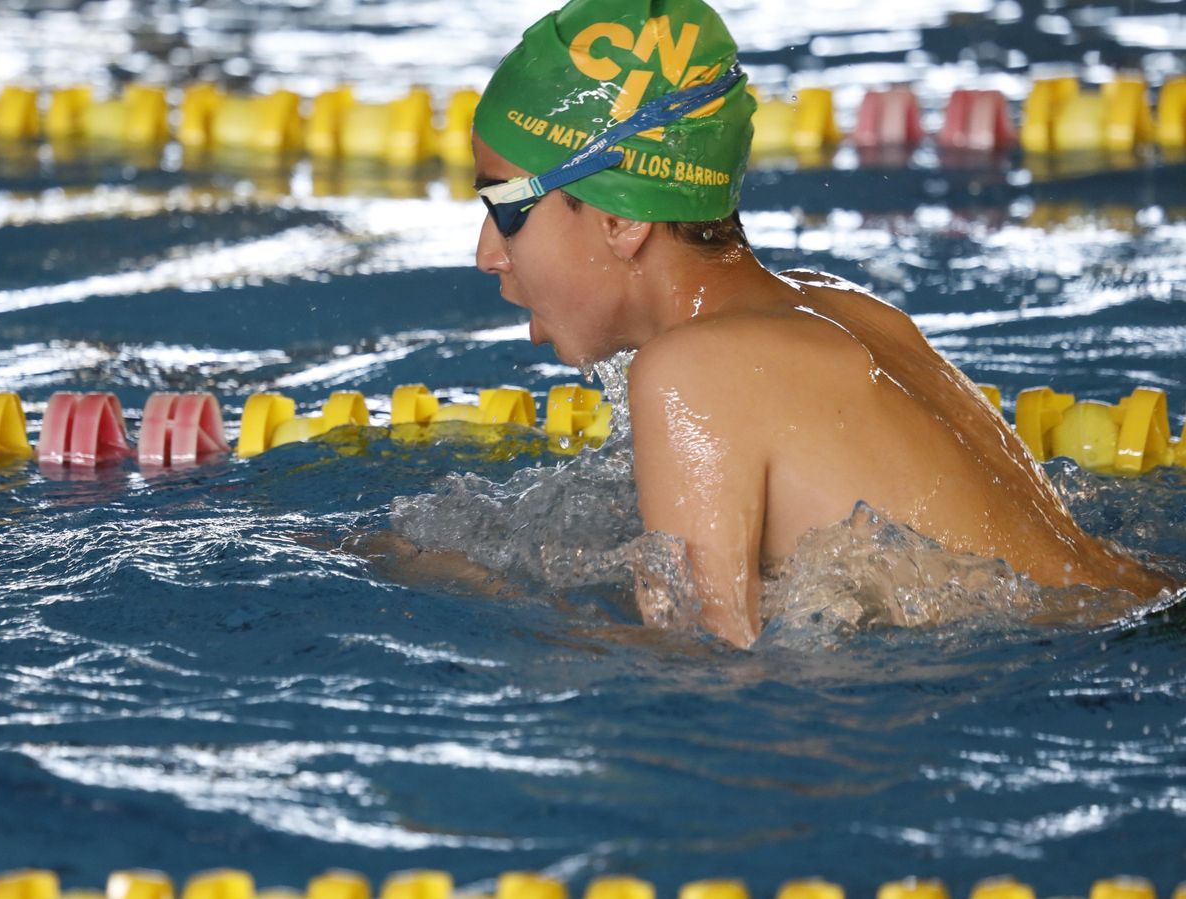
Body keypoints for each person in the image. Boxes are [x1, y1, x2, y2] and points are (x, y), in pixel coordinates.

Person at [468, 0, 1178, 646]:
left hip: (1103, 663)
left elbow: (703, 666)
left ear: (620, 218)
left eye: (504, 210)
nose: (487, 254)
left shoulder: (691, 373)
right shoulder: (843, 306)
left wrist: (480, 603)